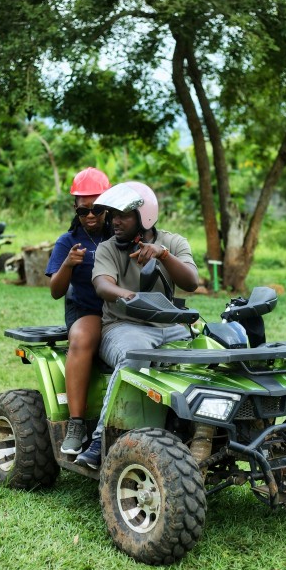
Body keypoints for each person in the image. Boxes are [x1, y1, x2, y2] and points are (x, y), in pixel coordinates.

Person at [75, 181, 199, 469]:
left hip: (171, 327)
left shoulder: (174, 242)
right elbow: (103, 285)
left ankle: (196, 429)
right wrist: (128, 295)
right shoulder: (107, 248)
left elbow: (191, 281)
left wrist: (162, 255)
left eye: (123, 215)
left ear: (145, 217)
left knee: (204, 356)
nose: (115, 221)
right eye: (113, 214)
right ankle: (99, 440)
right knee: (135, 355)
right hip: (122, 326)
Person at [45, 167, 112, 455]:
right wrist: (68, 264)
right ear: (75, 207)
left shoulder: (122, 233)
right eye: (84, 211)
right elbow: (56, 290)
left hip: (124, 310)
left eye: (97, 209)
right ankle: (76, 423)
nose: (91, 217)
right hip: (86, 309)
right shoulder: (67, 241)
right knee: (84, 339)